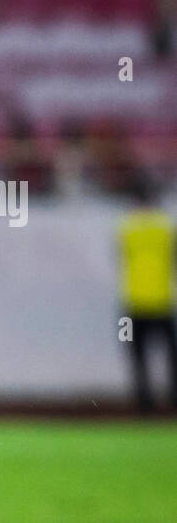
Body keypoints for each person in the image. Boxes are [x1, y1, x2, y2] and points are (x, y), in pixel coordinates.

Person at [117, 176, 176, 412]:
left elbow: (122, 255)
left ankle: (144, 403)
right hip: (161, 300)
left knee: (137, 356)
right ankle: (173, 400)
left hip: (134, 301)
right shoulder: (165, 226)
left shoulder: (126, 226)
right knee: (171, 354)